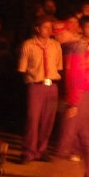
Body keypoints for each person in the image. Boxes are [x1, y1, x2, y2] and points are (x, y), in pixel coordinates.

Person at [57, 17, 89, 177]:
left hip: (82, 94)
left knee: (69, 129)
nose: (57, 37)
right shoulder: (78, 46)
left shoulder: (74, 48)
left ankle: (62, 154)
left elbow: (76, 76)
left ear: (67, 33)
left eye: (59, 34)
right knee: (88, 134)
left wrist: (73, 102)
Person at [17, 17, 63, 163]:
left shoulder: (56, 45)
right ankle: (29, 151)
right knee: (33, 119)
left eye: (51, 28)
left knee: (48, 120)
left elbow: (58, 66)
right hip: (36, 86)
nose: (49, 31)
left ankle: (42, 150)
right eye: (45, 28)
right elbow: (22, 68)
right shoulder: (28, 45)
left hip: (52, 86)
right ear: (37, 28)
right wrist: (34, 78)